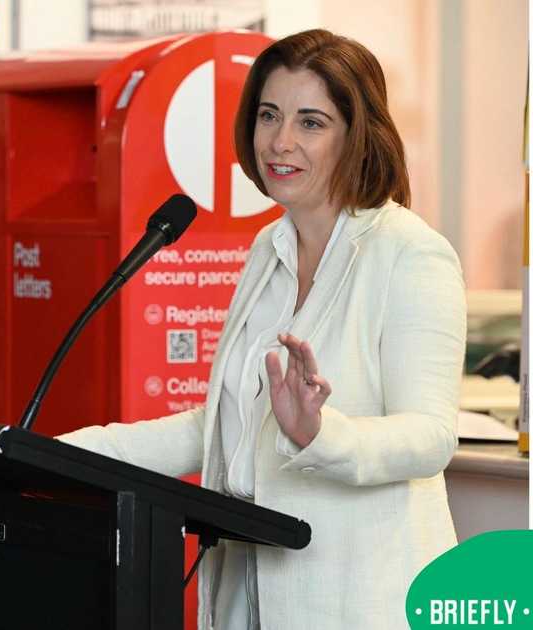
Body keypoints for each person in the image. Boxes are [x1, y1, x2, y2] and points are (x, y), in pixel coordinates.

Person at [57, 29, 465, 630]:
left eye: (311, 122)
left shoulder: (411, 254)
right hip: (246, 599)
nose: (280, 141)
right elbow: (216, 427)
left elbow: (431, 437)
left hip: (365, 604)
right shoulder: (268, 248)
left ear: (357, 136)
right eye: (269, 115)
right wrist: (55, 455)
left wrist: (321, 435)